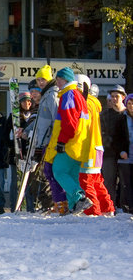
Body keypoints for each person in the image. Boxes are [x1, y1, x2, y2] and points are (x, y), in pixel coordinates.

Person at [44, 67, 92, 214]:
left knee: (58, 171)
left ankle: (80, 198)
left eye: (59, 79)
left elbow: (69, 123)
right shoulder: (78, 95)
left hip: (70, 144)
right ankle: (73, 206)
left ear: (66, 80)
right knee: (71, 175)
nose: (57, 82)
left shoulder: (68, 95)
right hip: (80, 144)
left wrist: (62, 141)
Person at [75, 75, 115, 216]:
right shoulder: (94, 103)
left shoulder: (85, 103)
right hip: (96, 147)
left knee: (86, 181)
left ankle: (93, 210)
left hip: (88, 147)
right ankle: (107, 207)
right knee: (97, 181)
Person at [27, 65, 60, 213]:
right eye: (38, 80)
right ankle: (49, 204)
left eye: (43, 79)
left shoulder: (52, 95)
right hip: (44, 141)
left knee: (47, 173)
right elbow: (39, 121)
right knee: (45, 173)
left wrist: (54, 139)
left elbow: (56, 119)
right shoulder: (46, 95)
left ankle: (53, 203)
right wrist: (26, 130)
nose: (40, 82)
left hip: (50, 141)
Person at [6, 91, 34, 212]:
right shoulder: (14, 116)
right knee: (15, 181)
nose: (27, 104)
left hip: (30, 152)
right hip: (17, 152)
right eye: (24, 101)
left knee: (29, 181)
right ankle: (14, 206)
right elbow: (5, 133)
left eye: (29, 101)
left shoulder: (34, 115)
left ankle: (30, 207)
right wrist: (11, 145)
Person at [100, 84, 126, 208]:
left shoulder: (127, 114)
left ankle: (123, 206)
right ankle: (111, 206)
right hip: (109, 153)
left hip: (125, 153)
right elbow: (101, 132)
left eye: (117, 96)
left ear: (123, 97)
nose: (114, 99)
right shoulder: (105, 115)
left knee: (125, 182)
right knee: (109, 182)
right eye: (113, 96)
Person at [112, 94, 133, 213]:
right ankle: (127, 206)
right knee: (126, 183)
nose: (131, 106)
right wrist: (121, 151)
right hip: (125, 156)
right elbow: (116, 138)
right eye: (129, 103)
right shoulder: (121, 119)